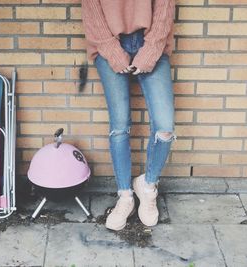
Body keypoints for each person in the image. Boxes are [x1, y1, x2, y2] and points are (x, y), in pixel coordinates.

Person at [81, 0, 177, 230]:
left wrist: (150, 51)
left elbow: (165, 9)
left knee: (165, 127)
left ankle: (147, 186)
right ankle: (125, 197)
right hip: (108, 45)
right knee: (119, 127)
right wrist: (114, 52)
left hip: (151, 41)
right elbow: (92, 11)